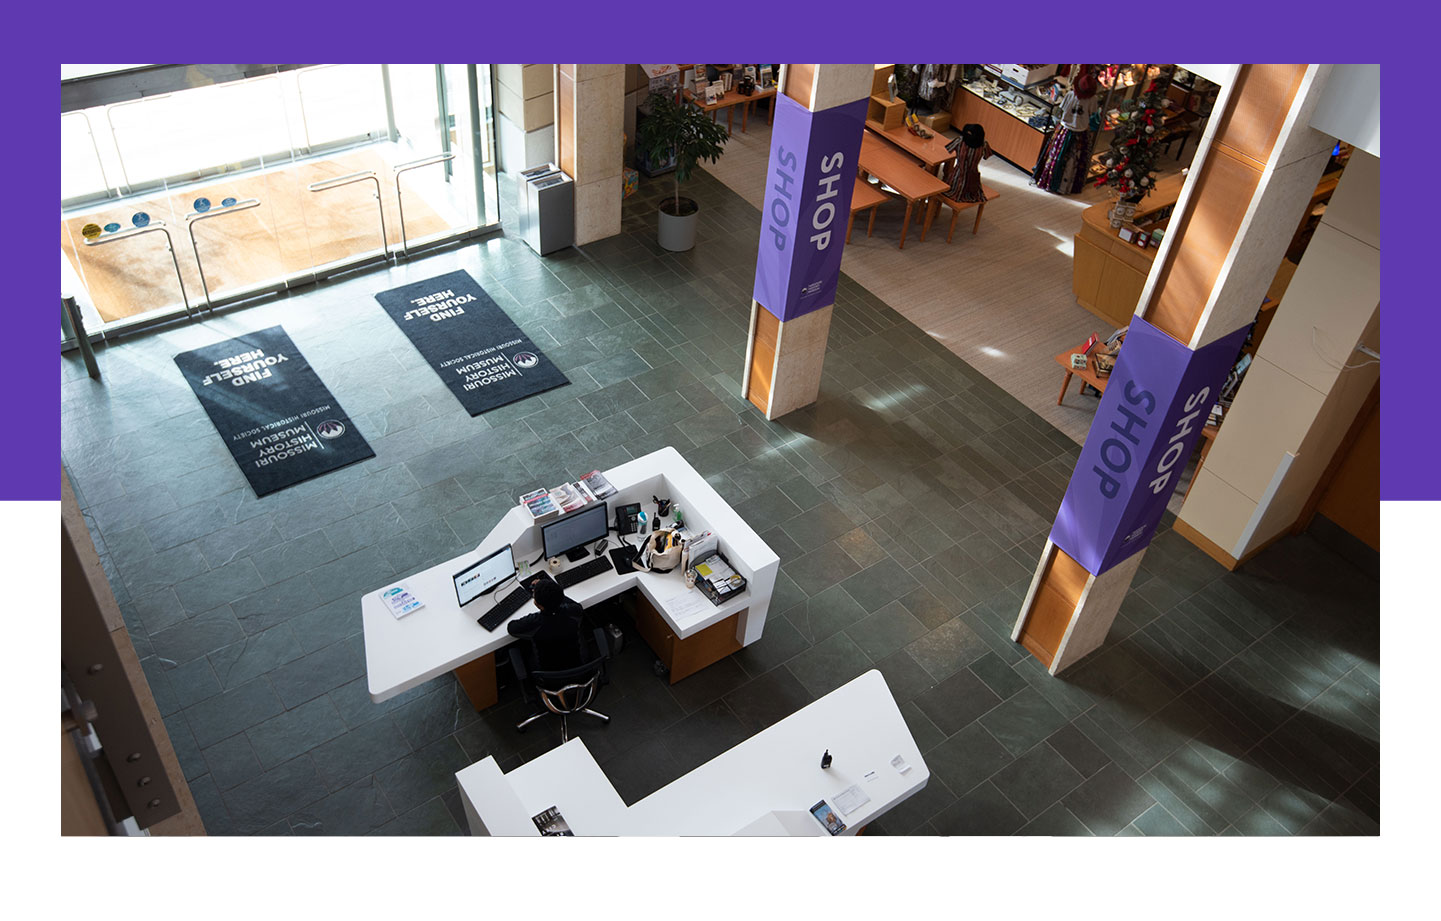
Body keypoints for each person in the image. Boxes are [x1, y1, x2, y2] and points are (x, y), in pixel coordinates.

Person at [1032, 67, 1101, 195]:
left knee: (1056, 157)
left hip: (1065, 130)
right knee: (1074, 161)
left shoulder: (1070, 95)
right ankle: (1066, 187)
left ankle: (1049, 182)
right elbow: (1092, 113)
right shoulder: (1093, 99)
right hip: (1081, 132)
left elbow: (1062, 110)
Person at [507, 578, 588, 672]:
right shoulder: (573, 611)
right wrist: (552, 589)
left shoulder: (535, 622)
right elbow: (576, 606)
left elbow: (511, 628)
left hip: (549, 677)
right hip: (579, 668)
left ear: (538, 605)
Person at [944, 123, 992, 203]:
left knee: (950, 187)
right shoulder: (984, 144)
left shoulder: (960, 141)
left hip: (957, 174)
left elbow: (948, 149)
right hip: (973, 176)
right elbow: (986, 156)